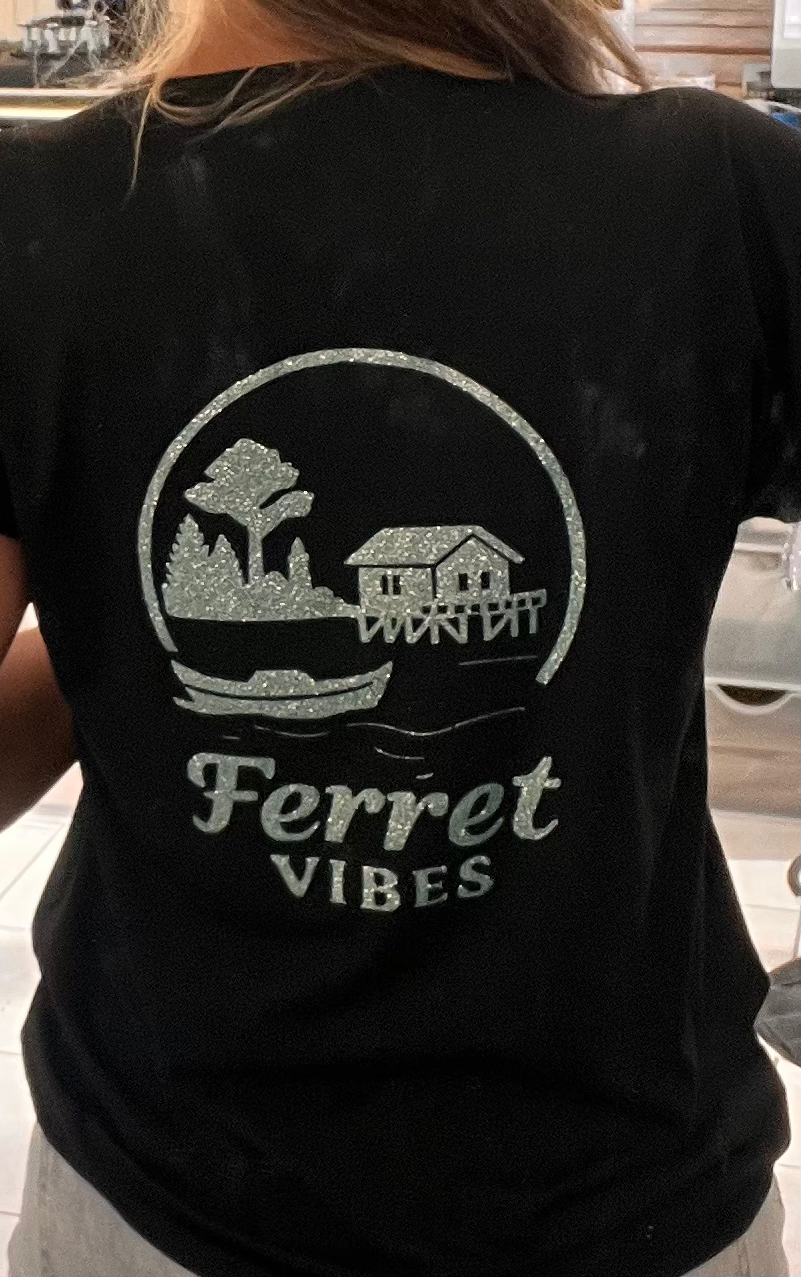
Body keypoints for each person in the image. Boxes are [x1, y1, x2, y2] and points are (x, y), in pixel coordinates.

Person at [0, 0, 799, 1272]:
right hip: (634, 1190)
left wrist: (115, 620)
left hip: (166, 1195)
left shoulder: (37, 213)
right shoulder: (721, 192)